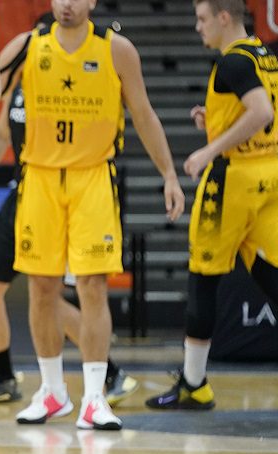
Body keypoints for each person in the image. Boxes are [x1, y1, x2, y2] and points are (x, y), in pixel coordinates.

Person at [10, 0, 184, 430]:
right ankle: (52, 392)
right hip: (41, 176)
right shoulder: (29, 45)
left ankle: (93, 398)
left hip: (93, 178)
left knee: (92, 287)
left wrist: (169, 174)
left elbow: (143, 113)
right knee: (41, 288)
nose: (66, 4)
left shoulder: (117, 49)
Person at [0, 14, 140, 407]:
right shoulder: (21, 77)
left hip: (69, 189)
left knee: (55, 292)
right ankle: (6, 377)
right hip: (26, 190)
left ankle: (106, 372)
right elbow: (2, 133)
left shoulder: (73, 79)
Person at [146, 0, 278, 410]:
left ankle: (194, 383)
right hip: (270, 173)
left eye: (203, 19)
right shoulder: (265, 54)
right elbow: (263, 111)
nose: (198, 27)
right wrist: (218, 119)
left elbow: (261, 111)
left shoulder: (231, 64)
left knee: (202, 277)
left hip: (232, 181)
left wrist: (210, 149)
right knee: (273, 274)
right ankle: (193, 380)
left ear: (225, 18)